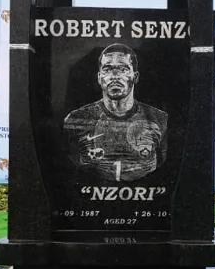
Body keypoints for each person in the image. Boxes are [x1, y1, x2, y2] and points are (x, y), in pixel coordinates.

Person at [63, 43, 167, 182]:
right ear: (99, 77)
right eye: (107, 69)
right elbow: (69, 170)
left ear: (135, 76)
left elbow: (165, 168)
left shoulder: (159, 119)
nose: (115, 76)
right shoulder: (76, 119)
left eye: (123, 69)